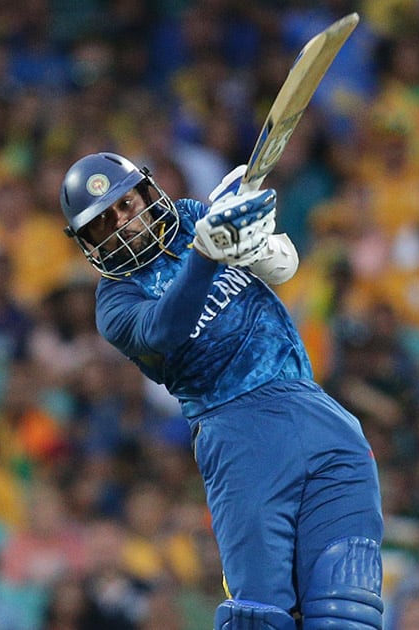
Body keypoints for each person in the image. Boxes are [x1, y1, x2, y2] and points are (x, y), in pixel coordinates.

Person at [57, 152, 384, 629]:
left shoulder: (191, 215)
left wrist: (254, 241)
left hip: (316, 411)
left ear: (148, 193)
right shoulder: (115, 304)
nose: (123, 223)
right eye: (103, 222)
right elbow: (165, 328)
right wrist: (207, 254)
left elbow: (282, 268)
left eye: (126, 205)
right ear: (88, 242)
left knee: (347, 609)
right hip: (238, 434)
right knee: (261, 617)